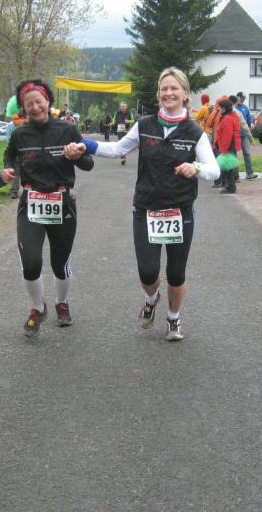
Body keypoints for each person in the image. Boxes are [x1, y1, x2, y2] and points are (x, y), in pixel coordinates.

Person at [65, 67, 220, 341]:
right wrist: (86, 145)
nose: (168, 93)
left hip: (180, 210)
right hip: (147, 209)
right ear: (158, 94)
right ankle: (152, 298)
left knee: (176, 273)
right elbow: (118, 149)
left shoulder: (194, 132)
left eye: (174, 88)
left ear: (185, 94)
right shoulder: (145, 125)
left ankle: (173, 318)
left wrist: (195, 168)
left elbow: (214, 170)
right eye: (164, 89)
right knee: (147, 272)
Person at [1, 79, 94, 336]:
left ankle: (61, 303)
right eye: (28, 104)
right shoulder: (20, 134)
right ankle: (37, 307)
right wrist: (8, 169)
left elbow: (88, 164)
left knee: (60, 263)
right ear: (23, 108)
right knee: (31, 262)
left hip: (62, 202)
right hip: (31, 203)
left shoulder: (67, 129)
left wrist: (77, 155)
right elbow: (10, 154)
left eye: (38, 102)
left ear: (48, 102)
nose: (34, 107)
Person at [213, 98, 241, 193]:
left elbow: (226, 135)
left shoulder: (227, 119)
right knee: (228, 167)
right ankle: (228, 186)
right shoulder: (231, 116)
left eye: (220, 107)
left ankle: (230, 187)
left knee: (228, 168)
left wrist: (224, 149)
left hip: (228, 146)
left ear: (224, 108)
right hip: (231, 145)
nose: (219, 109)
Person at [230, 94, 256, 180]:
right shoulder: (233, 108)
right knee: (233, 154)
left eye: (243, 99)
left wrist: (251, 123)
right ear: (237, 99)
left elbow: (248, 118)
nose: (242, 100)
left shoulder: (245, 108)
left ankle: (249, 173)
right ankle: (235, 176)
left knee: (247, 153)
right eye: (241, 99)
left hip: (244, 134)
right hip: (235, 135)